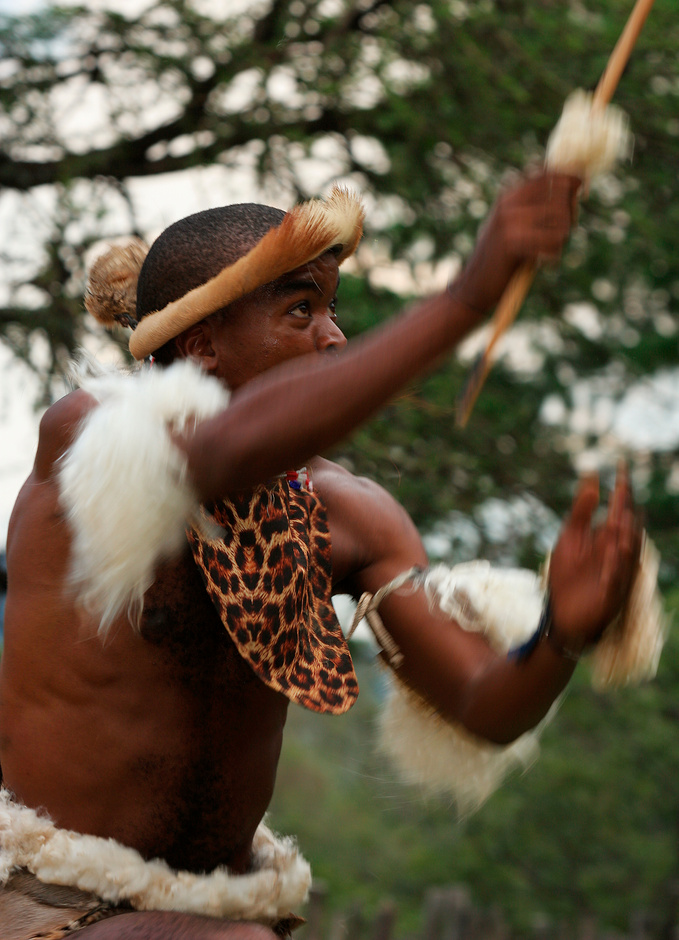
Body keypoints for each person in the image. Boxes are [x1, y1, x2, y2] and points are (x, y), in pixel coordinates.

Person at [0, 173, 641, 940]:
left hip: (228, 914)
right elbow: (225, 448)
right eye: (300, 310)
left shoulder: (348, 516)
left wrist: (563, 635)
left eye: (331, 310)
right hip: (54, 905)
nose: (333, 337)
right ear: (202, 344)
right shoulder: (87, 440)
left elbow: (484, 704)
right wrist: (466, 297)